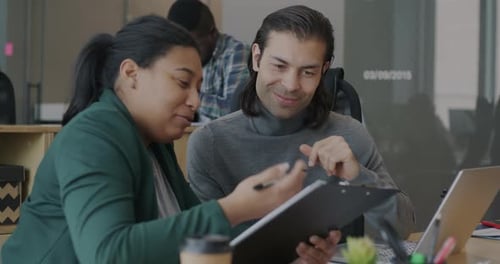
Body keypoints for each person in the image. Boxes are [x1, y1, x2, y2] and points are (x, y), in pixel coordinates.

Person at [1, 15, 340, 263]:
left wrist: (291, 248)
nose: (195, 102)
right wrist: (233, 207)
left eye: (198, 88)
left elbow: (197, 235)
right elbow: (109, 253)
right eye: (182, 83)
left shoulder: (155, 143)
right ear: (131, 74)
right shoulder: (94, 135)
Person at [187, 5, 416, 240]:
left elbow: (403, 227)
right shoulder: (209, 144)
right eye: (279, 66)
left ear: (323, 71)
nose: (291, 85)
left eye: (308, 72)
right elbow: (200, 245)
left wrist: (359, 177)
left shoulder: (349, 135)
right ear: (257, 58)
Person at [167, 0, 250, 121]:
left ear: (212, 33)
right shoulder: (177, 54)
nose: (185, 53)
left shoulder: (238, 53)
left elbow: (234, 111)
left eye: (193, 44)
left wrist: (184, 94)